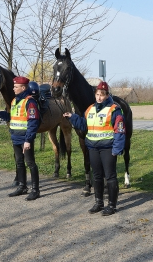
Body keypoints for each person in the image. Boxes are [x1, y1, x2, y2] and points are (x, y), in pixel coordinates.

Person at [63, 81, 125, 216]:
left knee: (110, 176)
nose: (99, 97)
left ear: (107, 95)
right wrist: (72, 117)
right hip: (92, 148)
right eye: (97, 94)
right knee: (96, 176)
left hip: (108, 149)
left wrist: (117, 149)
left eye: (102, 95)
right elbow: (84, 125)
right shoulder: (90, 109)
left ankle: (112, 205)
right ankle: (99, 202)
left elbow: (120, 131)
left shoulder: (115, 109)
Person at [0, 76, 42, 201]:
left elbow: (33, 122)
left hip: (25, 139)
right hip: (15, 137)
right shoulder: (14, 101)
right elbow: (12, 117)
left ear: (23, 88)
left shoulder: (30, 102)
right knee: (19, 162)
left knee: (30, 163)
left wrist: (28, 140)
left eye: (16, 87)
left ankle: (35, 190)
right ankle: (22, 186)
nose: (13, 89)